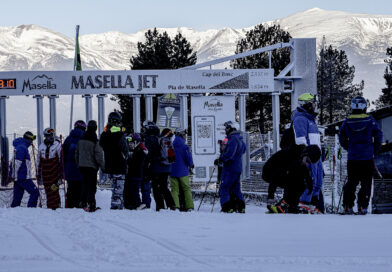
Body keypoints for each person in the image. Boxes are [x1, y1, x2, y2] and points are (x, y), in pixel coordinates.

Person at [339, 96, 383, 215]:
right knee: (366, 183)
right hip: (367, 157)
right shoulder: (370, 120)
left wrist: (348, 147)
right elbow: (378, 135)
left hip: (353, 157)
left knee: (351, 182)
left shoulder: (347, 121)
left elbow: (341, 137)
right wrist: (375, 149)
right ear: (364, 106)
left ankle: (347, 206)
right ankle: (362, 206)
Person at [263, 145, 321, 213]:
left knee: (301, 182)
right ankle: (285, 204)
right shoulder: (291, 156)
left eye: (309, 163)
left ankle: (291, 205)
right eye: (307, 160)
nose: (306, 163)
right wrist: (270, 198)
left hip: (282, 172)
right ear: (305, 153)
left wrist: (309, 182)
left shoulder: (301, 156)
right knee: (295, 180)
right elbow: (275, 176)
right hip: (269, 172)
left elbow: (304, 169)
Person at [291, 93, 324, 214]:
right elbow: (300, 140)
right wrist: (306, 155)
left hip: (316, 156)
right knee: (311, 181)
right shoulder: (300, 119)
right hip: (309, 156)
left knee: (318, 181)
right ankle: (303, 203)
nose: (315, 106)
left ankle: (312, 204)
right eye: (313, 103)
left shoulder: (311, 120)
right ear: (308, 104)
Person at [214, 121, 246, 213]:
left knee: (224, 187)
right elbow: (243, 150)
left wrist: (221, 159)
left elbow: (230, 154)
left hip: (230, 168)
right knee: (236, 188)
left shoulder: (232, 139)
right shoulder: (240, 139)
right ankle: (241, 206)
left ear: (233, 128)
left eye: (227, 128)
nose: (225, 129)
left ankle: (227, 207)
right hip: (238, 167)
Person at [99, 112, 129, 210]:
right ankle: (117, 206)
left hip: (109, 166)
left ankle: (114, 204)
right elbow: (126, 151)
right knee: (119, 189)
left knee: (114, 187)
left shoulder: (104, 135)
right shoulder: (120, 135)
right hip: (120, 166)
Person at [144, 122, 175, 211]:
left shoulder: (151, 139)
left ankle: (160, 206)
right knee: (164, 186)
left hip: (157, 168)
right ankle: (171, 204)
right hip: (167, 167)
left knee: (156, 187)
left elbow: (149, 154)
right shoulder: (162, 139)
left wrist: (147, 166)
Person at [76, 120, 105, 212]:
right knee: (92, 187)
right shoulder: (95, 141)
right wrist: (103, 167)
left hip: (82, 166)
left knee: (84, 185)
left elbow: (77, 153)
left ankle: (82, 202)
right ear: (95, 128)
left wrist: (79, 163)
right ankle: (91, 204)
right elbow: (99, 155)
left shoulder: (81, 140)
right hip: (92, 167)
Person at [10, 131, 39, 208]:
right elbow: (17, 162)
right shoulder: (22, 148)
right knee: (35, 192)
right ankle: (31, 210)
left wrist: (13, 176)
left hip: (18, 178)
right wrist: (13, 175)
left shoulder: (20, 146)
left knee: (17, 198)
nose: (32, 141)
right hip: (23, 177)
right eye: (32, 139)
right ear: (28, 139)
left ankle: (13, 212)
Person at [37, 128, 62, 209]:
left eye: (51, 135)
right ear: (45, 136)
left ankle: (56, 205)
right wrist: (38, 173)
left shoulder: (57, 145)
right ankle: (49, 206)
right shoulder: (41, 146)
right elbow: (38, 161)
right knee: (47, 189)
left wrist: (61, 173)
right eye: (48, 136)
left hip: (54, 172)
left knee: (54, 189)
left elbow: (61, 159)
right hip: (45, 172)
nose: (50, 137)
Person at [169, 128, 194, 211]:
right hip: (183, 171)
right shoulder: (185, 146)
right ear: (181, 135)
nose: (185, 137)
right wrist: (191, 165)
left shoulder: (171, 145)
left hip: (172, 171)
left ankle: (175, 206)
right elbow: (188, 158)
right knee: (186, 189)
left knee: (174, 190)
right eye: (184, 135)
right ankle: (189, 206)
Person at [63, 120, 86, 208]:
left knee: (71, 188)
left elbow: (63, 154)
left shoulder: (68, 139)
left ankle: (69, 205)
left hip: (70, 169)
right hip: (81, 169)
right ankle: (80, 205)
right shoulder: (84, 138)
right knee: (81, 188)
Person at [123, 133, 148, 210]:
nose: (130, 145)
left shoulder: (140, 151)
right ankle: (128, 204)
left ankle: (137, 204)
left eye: (131, 143)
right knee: (128, 189)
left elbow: (136, 163)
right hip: (130, 174)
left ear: (136, 143)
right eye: (129, 143)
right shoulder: (131, 151)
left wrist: (129, 160)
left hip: (136, 174)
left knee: (134, 190)